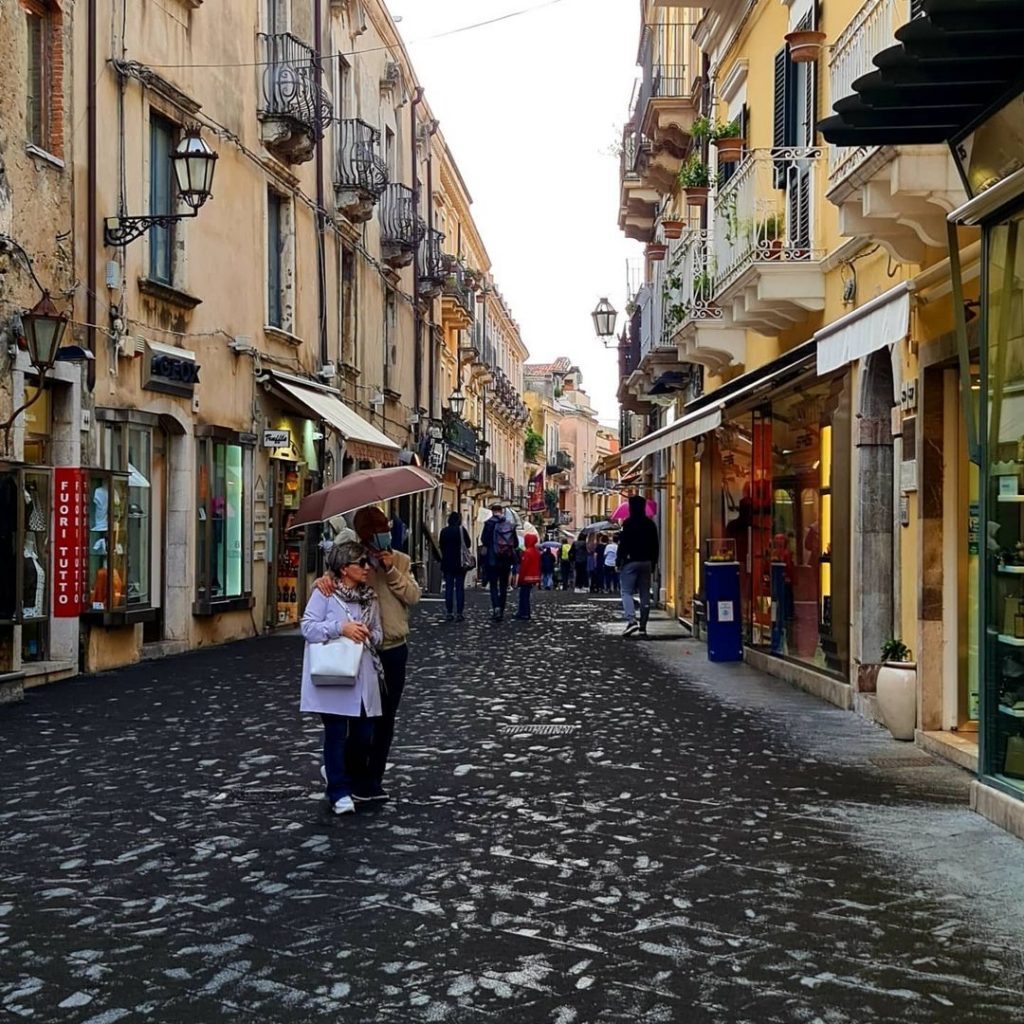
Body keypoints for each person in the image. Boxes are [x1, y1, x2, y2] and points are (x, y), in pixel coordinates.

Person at [315, 506, 420, 801]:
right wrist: (321, 582)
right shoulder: (352, 562)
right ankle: (349, 773)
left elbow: (412, 596)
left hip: (394, 649)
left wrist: (390, 570)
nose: (383, 535)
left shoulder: (400, 560)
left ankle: (372, 780)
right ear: (365, 535)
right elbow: (330, 586)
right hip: (361, 653)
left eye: (384, 528)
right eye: (376, 531)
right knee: (360, 720)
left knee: (386, 719)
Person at [301, 541, 384, 816]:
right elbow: (308, 627)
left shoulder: (370, 597)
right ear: (344, 568)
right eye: (361, 563)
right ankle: (338, 790)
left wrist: (370, 635)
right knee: (336, 733)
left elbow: (379, 634)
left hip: (363, 673)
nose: (366, 568)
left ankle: (338, 772)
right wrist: (341, 628)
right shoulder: (325, 593)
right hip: (334, 673)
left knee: (363, 735)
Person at [616, 494, 659, 638]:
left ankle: (631, 620)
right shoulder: (650, 524)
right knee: (645, 593)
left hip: (630, 562)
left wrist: (619, 561)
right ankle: (643, 627)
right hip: (646, 562)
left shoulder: (627, 524)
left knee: (626, 592)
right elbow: (655, 546)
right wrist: (653, 563)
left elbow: (622, 545)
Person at [480, 502, 520, 620]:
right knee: (503, 585)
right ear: (502, 512)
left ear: (492, 512)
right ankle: (501, 609)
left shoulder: (488, 524)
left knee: (493, 585)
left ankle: (496, 607)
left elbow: (484, 540)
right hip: (506, 559)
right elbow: (516, 543)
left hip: (492, 559)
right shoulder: (509, 524)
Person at [438, 511, 472, 622]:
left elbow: (441, 546)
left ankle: (449, 612)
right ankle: (459, 613)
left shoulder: (444, 531)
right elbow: (468, 544)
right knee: (459, 588)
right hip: (460, 563)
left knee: (448, 588)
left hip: (447, 563)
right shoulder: (461, 530)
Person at [514, 534, 541, 619]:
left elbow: (524, 567)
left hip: (526, 577)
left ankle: (523, 612)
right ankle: (526, 612)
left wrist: (520, 580)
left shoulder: (527, 552)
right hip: (533, 577)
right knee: (527, 595)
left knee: (523, 596)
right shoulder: (536, 552)